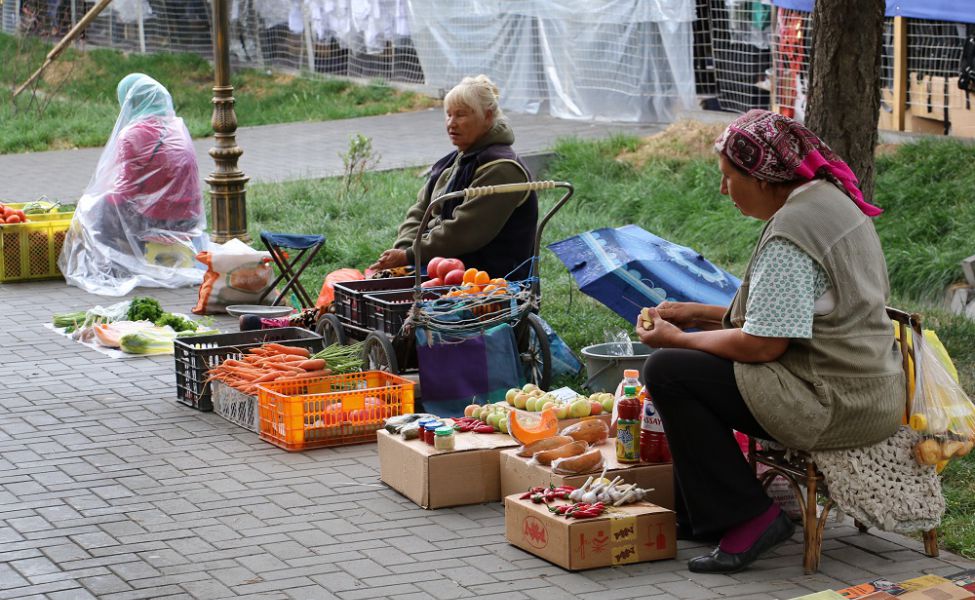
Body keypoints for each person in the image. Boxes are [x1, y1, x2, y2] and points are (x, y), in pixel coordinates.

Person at [636, 109, 903, 574]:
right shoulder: (829, 200)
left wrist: (677, 339)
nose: (724, 190)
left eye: (728, 178)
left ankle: (750, 517)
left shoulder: (791, 235)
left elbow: (764, 346)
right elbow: (791, 315)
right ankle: (707, 514)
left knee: (669, 372)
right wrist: (694, 313)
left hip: (831, 401)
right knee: (686, 369)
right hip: (870, 386)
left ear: (762, 178)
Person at [369, 75, 538, 281]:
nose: (451, 123)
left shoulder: (502, 169)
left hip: (485, 280)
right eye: (448, 115)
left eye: (461, 115)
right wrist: (405, 249)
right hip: (439, 266)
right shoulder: (454, 160)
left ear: (488, 116)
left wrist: (410, 255)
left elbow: (465, 231)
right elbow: (421, 210)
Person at [59, 73, 207, 296]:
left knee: (95, 211)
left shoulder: (133, 134)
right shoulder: (177, 128)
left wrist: (94, 199)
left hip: (154, 217)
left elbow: (126, 191)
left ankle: (115, 266)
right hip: (188, 217)